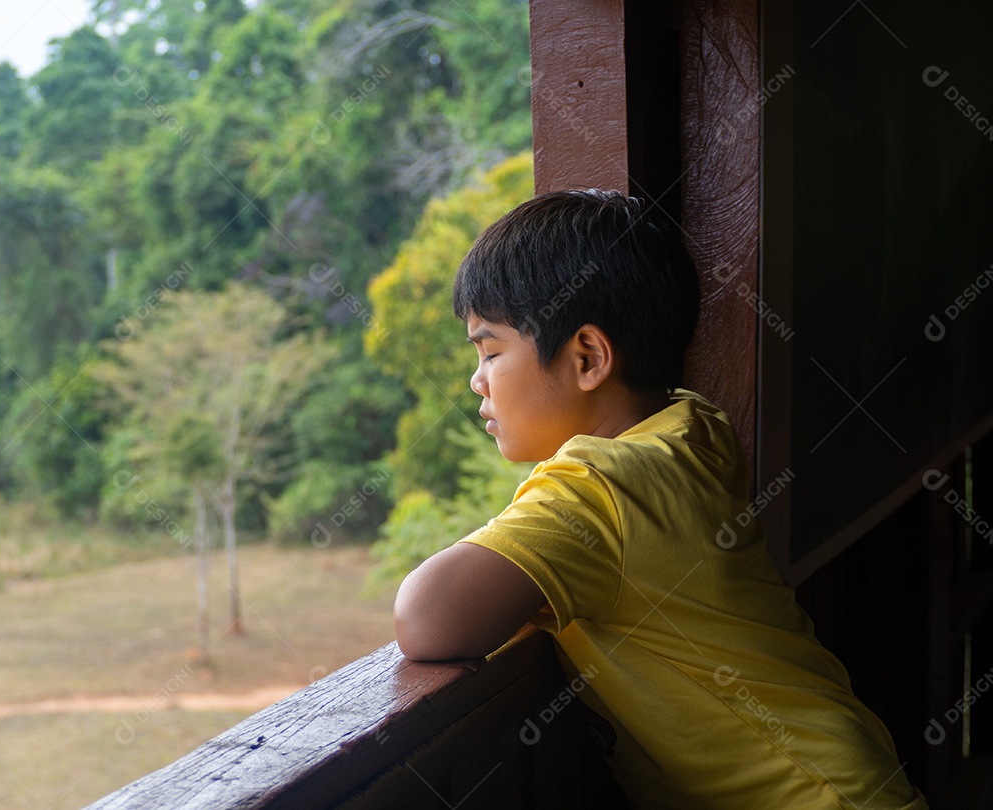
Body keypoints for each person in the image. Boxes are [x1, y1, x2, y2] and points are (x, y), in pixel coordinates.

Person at [393, 190, 927, 809]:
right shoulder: (691, 426)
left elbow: (426, 618)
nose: (476, 379)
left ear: (588, 356)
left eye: (490, 352)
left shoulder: (600, 487)